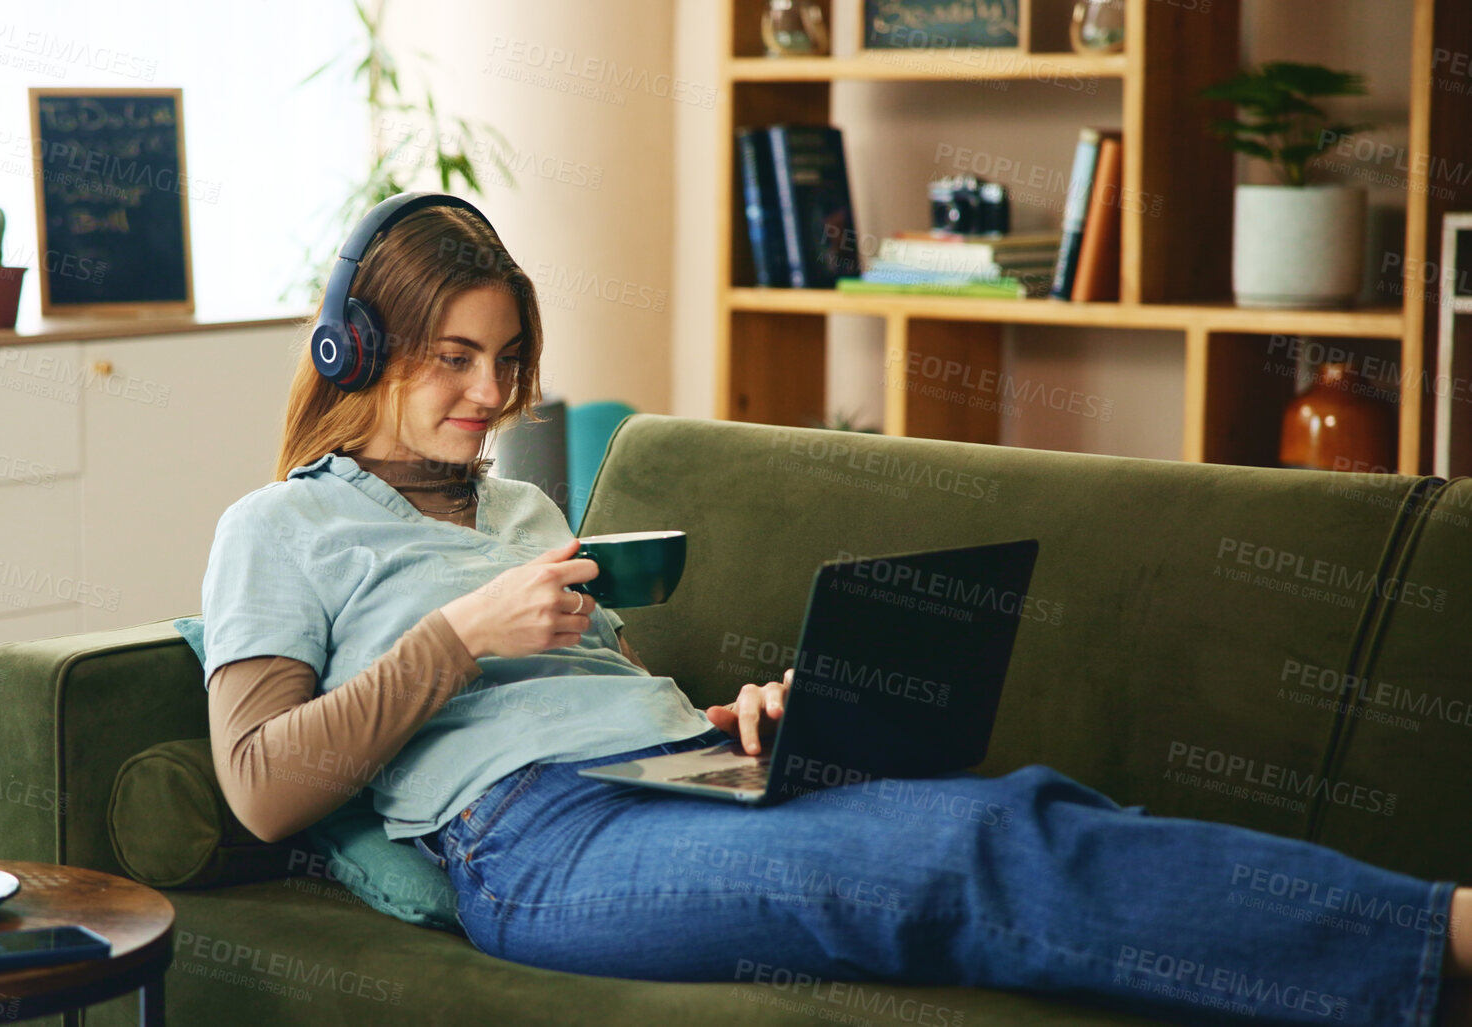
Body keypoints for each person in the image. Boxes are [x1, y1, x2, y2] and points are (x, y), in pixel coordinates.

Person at [200, 197, 1470, 1026]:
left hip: (677, 777)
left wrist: (729, 721)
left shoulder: (521, 512)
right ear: (354, 352)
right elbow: (260, 782)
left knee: (1022, 805)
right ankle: (1445, 938)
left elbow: (592, 693)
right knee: (965, 857)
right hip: (535, 846)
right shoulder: (281, 528)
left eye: (503, 360)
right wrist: (462, 634)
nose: (490, 393)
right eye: (453, 359)